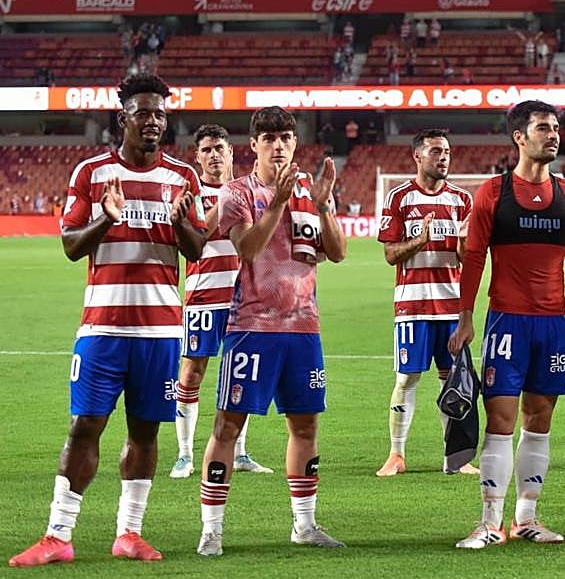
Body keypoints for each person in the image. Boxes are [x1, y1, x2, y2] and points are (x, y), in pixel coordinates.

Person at [9, 74, 206, 568]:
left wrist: (180, 221)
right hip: (102, 327)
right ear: (123, 118)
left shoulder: (183, 177)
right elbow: (71, 245)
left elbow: (198, 250)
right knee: (85, 426)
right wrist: (107, 218)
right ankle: (57, 536)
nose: (153, 121)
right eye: (143, 113)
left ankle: (129, 533)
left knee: (145, 432)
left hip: (160, 331)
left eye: (160, 114)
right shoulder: (91, 173)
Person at [195, 106, 346, 556]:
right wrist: (278, 202)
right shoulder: (237, 192)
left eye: (285, 138)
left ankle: (305, 524)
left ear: (295, 143)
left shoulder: (309, 191)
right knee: (227, 425)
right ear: (254, 145)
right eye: (269, 138)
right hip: (252, 327)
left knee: (305, 425)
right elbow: (246, 247)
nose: (278, 146)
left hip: (304, 327)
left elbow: (337, 252)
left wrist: (324, 207)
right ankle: (212, 530)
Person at [447, 100, 565, 548]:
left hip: (553, 324)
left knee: (540, 417)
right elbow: (474, 257)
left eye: (555, 128)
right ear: (519, 137)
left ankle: (526, 519)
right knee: (501, 419)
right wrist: (466, 317)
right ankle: (489, 522)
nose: (553, 135)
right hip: (507, 322)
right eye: (543, 128)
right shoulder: (494, 193)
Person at [171, 125, 272, 480]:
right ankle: (184, 454)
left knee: (241, 375)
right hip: (203, 296)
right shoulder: (191, 195)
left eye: (219, 148)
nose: (214, 155)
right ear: (197, 157)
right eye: (207, 150)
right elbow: (193, 241)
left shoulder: (249, 191)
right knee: (191, 372)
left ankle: (240, 452)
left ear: (231, 152)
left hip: (244, 298)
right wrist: (224, 201)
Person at [376, 129, 478, 477]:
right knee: (407, 379)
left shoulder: (462, 200)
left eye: (446, 151)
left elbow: (467, 258)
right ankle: (396, 454)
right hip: (413, 306)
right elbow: (390, 254)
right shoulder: (399, 198)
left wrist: (463, 244)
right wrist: (418, 241)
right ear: (417, 156)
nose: (443, 157)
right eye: (435, 151)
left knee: (452, 382)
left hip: (452, 308)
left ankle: (455, 457)